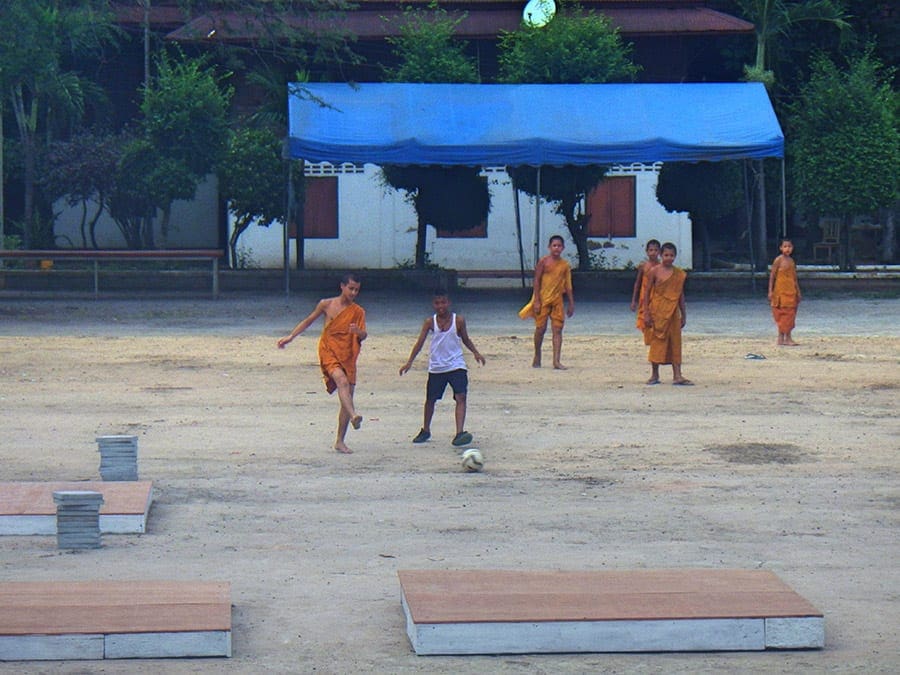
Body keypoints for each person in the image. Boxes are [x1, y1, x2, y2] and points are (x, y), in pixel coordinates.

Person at [277, 273, 367, 454]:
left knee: (346, 395)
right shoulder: (326, 304)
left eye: (357, 290)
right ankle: (354, 415)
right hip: (329, 351)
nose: (353, 293)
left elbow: (364, 335)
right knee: (341, 382)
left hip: (348, 354)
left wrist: (358, 332)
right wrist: (291, 336)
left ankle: (340, 441)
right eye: (351, 288)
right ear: (342, 286)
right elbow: (308, 321)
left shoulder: (358, 312)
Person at [400, 290, 486, 447]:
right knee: (431, 400)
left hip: (456, 364)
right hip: (437, 367)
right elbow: (419, 343)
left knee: (461, 396)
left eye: (443, 302)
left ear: (449, 303)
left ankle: (459, 433)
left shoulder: (458, 320)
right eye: (437, 303)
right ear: (433, 304)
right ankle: (425, 429)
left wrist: (476, 352)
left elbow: (465, 339)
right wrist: (409, 362)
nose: (440, 306)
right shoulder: (429, 322)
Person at [518, 234, 575, 369]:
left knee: (557, 329)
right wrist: (536, 300)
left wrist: (571, 303)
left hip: (557, 301)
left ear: (563, 248)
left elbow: (568, 286)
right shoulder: (543, 262)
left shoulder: (565, 265)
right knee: (540, 329)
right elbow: (536, 280)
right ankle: (537, 354)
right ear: (549, 247)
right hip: (543, 299)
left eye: (559, 246)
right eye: (554, 245)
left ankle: (556, 361)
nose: (557, 248)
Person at [642, 242, 691, 385]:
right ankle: (654, 375)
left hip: (673, 312)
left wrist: (684, 314)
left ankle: (677, 375)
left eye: (671, 255)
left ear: (675, 256)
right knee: (657, 342)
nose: (668, 258)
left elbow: (680, 295)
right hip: (657, 311)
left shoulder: (679, 274)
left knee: (675, 342)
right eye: (666, 255)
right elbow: (646, 293)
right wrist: (646, 313)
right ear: (661, 255)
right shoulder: (654, 271)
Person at [768, 238, 802, 346]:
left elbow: (794, 278)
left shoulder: (792, 261)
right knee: (781, 315)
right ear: (781, 248)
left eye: (789, 246)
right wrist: (770, 291)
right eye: (785, 246)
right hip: (780, 293)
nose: (787, 249)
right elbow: (772, 276)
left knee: (790, 315)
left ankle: (788, 337)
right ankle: (780, 338)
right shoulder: (778, 260)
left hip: (791, 292)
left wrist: (798, 291)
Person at [630, 239, 661, 344]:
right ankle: (648, 338)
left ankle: (655, 338)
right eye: (651, 250)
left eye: (656, 250)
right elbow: (637, 283)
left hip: (656, 296)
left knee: (656, 317)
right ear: (647, 251)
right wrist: (634, 301)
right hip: (644, 297)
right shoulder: (643, 266)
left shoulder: (661, 267)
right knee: (644, 318)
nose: (653, 252)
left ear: (659, 252)